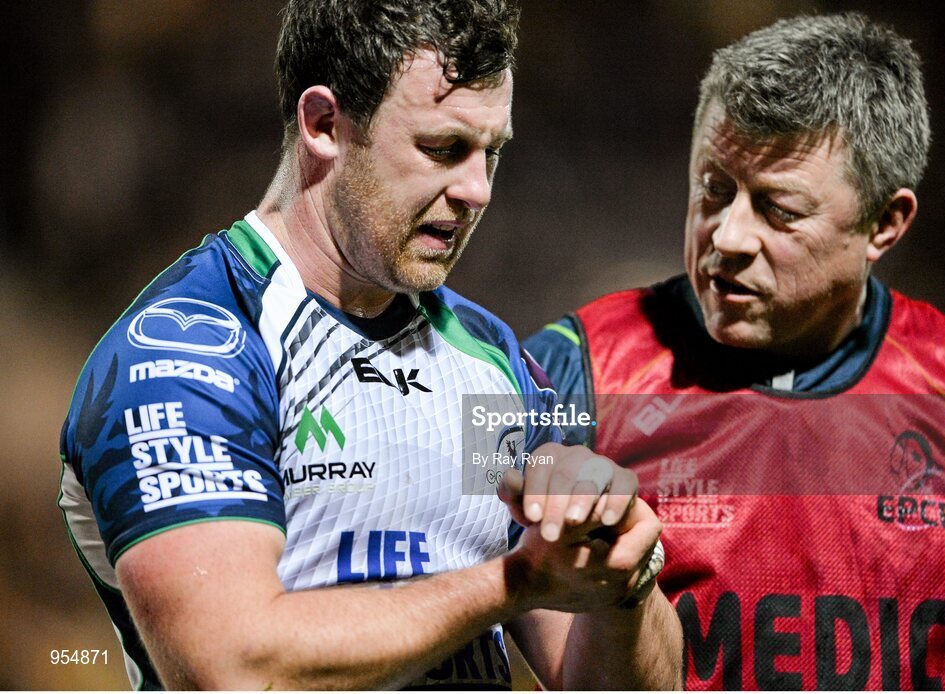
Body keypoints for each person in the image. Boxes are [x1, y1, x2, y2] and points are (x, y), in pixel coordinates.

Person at [58, 1, 681, 689]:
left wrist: (621, 578)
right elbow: (236, 669)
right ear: (324, 124)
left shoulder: (492, 360)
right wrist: (514, 582)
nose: (476, 190)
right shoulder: (188, 353)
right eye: (443, 148)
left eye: (491, 153)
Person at [526, 12, 945, 690]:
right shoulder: (551, 373)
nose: (727, 235)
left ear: (886, 223)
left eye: (778, 209)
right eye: (714, 189)